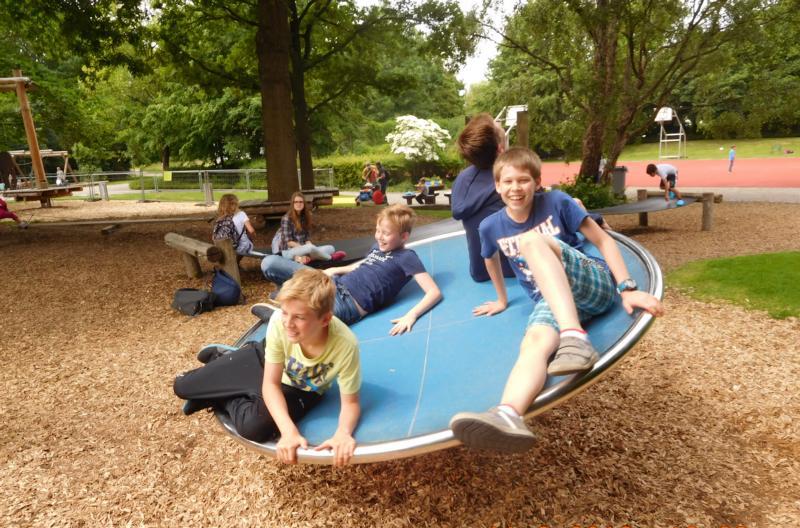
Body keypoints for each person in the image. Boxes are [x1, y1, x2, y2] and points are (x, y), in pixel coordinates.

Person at [449, 148, 664, 453]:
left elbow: (602, 239)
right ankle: (508, 414)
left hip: (591, 281)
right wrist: (501, 299)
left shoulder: (557, 202)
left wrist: (627, 288)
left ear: (537, 182)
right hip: (554, 301)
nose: (515, 188)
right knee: (534, 342)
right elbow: (489, 259)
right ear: (496, 186)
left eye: (523, 180)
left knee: (530, 240)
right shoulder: (490, 226)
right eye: (507, 181)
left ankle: (574, 337)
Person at [229, 269, 362, 466]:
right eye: (285, 312)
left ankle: (236, 380)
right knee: (184, 387)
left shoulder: (345, 344)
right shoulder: (279, 322)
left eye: (299, 317)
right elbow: (271, 383)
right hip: (267, 361)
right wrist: (288, 431)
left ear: (325, 319)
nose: (288, 323)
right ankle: (230, 361)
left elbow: (351, 403)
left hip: (300, 388)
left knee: (252, 427)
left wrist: (343, 432)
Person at [260, 204, 442, 335]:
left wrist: (411, 316)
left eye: (386, 233)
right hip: (332, 283)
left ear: (404, 236)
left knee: (308, 326)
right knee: (270, 263)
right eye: (378, 230)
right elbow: (362, 264)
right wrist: (335, 269)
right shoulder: (377, 247)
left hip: (348, 303)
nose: (379, 237)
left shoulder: (407, 257)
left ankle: (280, 314)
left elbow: (434, 292)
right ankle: (288, 299)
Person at [451, 113, 516, 282]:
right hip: (520, 267)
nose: (499, 124)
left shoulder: (462, 179)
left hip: (481, 271)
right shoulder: (514, 177)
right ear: (500, 149)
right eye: (497, 125)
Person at [271, 191, 344, 263]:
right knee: (310, 248)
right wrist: (306, 248)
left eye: (301, 202)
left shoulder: (306, 217)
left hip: (304, 249)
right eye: (296, 202)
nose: (298, 204)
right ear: (292, 204)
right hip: (289, 251)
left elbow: (307, 239)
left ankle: (306, 258)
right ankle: (330, 258)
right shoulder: (286, 218)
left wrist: (311, 248)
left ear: (304, 204)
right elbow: (289, 242)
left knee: (331, 248)